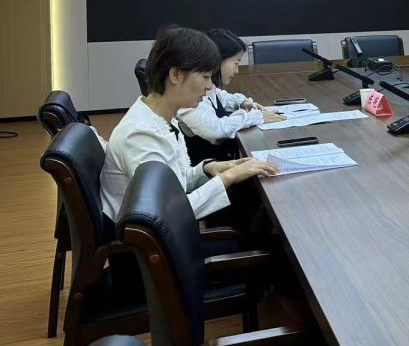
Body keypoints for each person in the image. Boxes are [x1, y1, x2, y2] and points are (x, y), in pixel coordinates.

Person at [100, 27, 277, 223]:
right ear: (176, 75)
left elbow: (175, 182)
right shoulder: (141, 135)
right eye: (205, 77)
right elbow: (167, 214)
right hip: (154, 239)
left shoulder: (162, 117)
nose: (209, 86)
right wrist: (228, 177)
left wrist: (207, 169)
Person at [178, 28, 282, 144]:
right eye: (236, 63)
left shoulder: (208, 87)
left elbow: (222, 97)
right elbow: (214, 130)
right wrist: (254, 118)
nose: (237, 71)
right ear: (217, 60)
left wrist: (242, 102)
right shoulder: (190, 95)